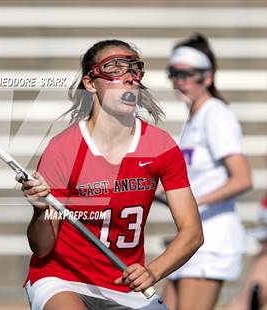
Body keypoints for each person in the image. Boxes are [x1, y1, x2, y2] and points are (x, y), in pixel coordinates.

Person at [19, 39, 203, 310]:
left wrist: (153, 271)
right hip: (63, 278)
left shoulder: (160, 146)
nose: (129, 78)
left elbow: (193, 232)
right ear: (91, 83)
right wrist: (40, 210)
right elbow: (42, 248)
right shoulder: (64, 149)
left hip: (124, 286)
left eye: (135, 69)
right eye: (115, 69)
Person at [162, 33, 253, 310]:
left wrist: (191, 204)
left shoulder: (215, 114)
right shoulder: (194, 118)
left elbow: (243, 178)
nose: (180, 82)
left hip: (211, 240)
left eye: (188, 74)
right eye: (174, 74)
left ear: (208, 77)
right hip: (190, 237)